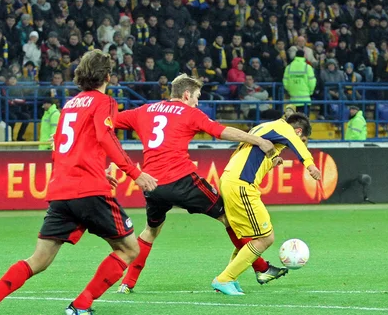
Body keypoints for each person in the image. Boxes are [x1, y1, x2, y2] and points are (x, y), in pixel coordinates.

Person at [0, 50, 158, 315]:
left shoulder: (69, 106)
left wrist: (97, 171)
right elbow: (105, 137)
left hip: (62, 191)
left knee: (38, 260)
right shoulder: (105, 102)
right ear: (108, 77)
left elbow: (61, 147)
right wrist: (135, 174)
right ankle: (82, 304)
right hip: (88, 191)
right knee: (129, 249)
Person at [113, 74, 286, 294]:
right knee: (227, 216)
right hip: (182, 181)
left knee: (150, 230)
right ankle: (260, 268)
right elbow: (222, 132)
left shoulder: (144, 110)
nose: (197, 102)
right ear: (186, 95)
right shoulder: (189, 112)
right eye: (197, 97)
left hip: (152, 185)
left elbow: (108, 121)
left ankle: (127, 284)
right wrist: (258, 140)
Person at [212, 113, 322, 295]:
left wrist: (271, 160)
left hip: (230, 180)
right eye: (302, 139)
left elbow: (247, 154)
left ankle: (229, 278)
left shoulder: (264, 127)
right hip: (242, 184)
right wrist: (310, 165)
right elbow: (297, 147)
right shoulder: (285, 129)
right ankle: (225, 279)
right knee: (265, 238)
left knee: (248, 237)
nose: (299, 142)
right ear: (298, 131)